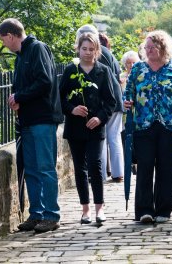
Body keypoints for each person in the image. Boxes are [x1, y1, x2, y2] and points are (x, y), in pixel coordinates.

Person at [0, 18, 63, 233]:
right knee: (32, 170)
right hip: (27, 120)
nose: (4, 45)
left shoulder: (37, 49)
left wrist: (20, 96)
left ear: (11, 35)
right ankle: (36, 214)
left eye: (3, 40)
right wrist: (17, 100)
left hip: (42, 119)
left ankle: (51, 215)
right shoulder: (21, 56)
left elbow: (45, 82)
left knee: (45, 168)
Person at [124, 30, 172, 224]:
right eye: (146, 48)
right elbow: (127, 92)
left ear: (163, 47)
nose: (148, 51)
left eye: (152, 47)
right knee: (145, 167)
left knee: (167, 169)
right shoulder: (138, 69)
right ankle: (144, 210)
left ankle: (164, 209)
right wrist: (127, 101)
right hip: (143, 126)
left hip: (170, 126)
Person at [59, 32, 116, 224]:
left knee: (95, 165)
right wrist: (72, 109)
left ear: (97, 50)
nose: (87, 53)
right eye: (84, 49)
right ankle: (85, 209)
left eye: (91, 49)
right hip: (75, 127)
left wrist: (99, 118)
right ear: (78, 48)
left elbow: (110, 101)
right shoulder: (70, 70)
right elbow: (60, 99)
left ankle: (100, 208)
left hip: (95, 127)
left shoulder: (103, 71)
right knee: (80, 168)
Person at [76, 25, 124, 182]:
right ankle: (117, 173)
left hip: (105, 101)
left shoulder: (96, 53)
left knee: (101, 137)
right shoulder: (107, 52)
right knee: (114, 137)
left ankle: (100, 174)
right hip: (116, 98)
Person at [120, 51, 141, 174]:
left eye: (134, 62)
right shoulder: (121, 78)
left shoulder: (142, 76)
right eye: (128, 63)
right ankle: (131, 165)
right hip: (126, 116)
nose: (131, 65)